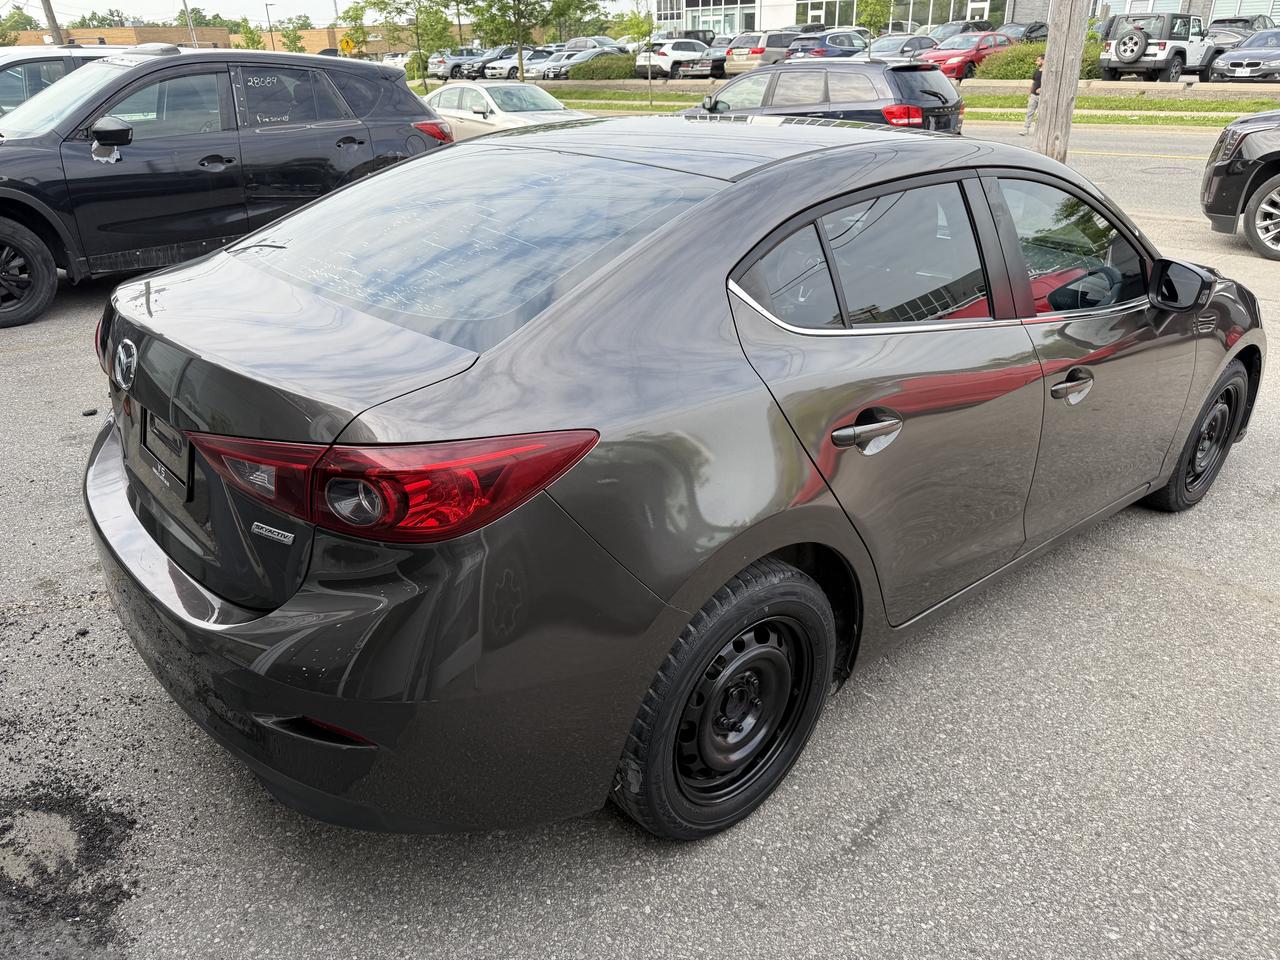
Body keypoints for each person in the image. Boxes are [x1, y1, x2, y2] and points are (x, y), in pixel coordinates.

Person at [1021, 54, 1044, 137]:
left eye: (1038, 60)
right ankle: (1025, 129)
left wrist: (1042, 89)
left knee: (1041, 114)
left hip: (1043, 96)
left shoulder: (1048, 72)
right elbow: (1034, 83)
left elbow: (1051, 83)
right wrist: (1030, 93)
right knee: (1029, 112)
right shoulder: (1037, 71)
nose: (1036, 62)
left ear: (1043, 61)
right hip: (1034, 96)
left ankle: (1039, 131)